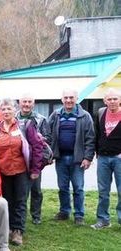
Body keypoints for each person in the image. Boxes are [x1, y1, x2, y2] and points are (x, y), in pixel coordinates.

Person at [0, 98, 42, 246]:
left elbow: (37, 147)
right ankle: (9, 228)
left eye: (9, 109)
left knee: (20, 201)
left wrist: (35, 169)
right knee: (7, 201)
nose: (6, 112)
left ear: (15, 110)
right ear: (0, 111)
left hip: (21, 170)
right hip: (2, 171)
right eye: (3, 109)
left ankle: (18, 231)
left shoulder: (25, 125)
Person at [48, 89, 95, 226]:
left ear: (77, 98)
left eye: (71, 97)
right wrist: (50, 154)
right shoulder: (56, 115)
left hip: (78, 159)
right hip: (61, 158)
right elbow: (48, 135)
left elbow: (90, 139)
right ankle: (64, 211)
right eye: (66, 97)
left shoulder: (84, 116)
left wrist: (88, 157)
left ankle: (79, 215)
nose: (68, 100)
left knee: (78, 188)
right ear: (62, 99)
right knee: (62, 187)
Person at [17, 93, 51, 225]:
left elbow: (49, 138)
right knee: (21, 190)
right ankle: (21, 214)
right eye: (24, 101)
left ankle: (36, 215)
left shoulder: (41, 119)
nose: (26, 104)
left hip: (35, 159)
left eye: (29, 102)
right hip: (19, 159)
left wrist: (41, 138)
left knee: (36, 189)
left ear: (33, 103)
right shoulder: (14, 118)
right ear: (19, 103)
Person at [91, 88, 121, 230]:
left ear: (120, 100)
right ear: (105, 101)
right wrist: (96, 151)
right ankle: (103, 220)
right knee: (103, 191)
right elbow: (96, 134)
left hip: (119, 158)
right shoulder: (100, 113)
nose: (112, 102)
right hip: (103, 158)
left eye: (115, 99)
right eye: (109, 99)